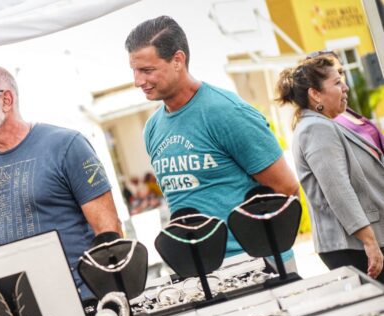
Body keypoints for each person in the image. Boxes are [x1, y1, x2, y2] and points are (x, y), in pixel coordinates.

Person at [125, 16, 299, 261]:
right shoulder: (152, 128)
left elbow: (286, 188)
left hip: (257, 262)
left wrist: (262, 252)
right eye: (134, 70)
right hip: (200, 271)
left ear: (177, 60)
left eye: (147, 70)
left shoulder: (226, 111)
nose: (137, 81)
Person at [0, 65, 121, 294]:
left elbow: (109, 232)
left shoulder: (66, 145)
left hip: (87, 302)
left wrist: (111, 300)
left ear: (6, 100)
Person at [277, 55, 384, 281]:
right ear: (315, 94)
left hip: (360, 243)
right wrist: (369, 241)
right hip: (354, 246)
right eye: (336, 83)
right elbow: (338, 190)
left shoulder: (322, 124)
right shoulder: (316, 128)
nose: (345, 87)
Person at [309, 50, 384, 153]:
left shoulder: (345, 110)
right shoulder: (325, 124)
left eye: (340, 72)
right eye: (333, 76)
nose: (341, 79)